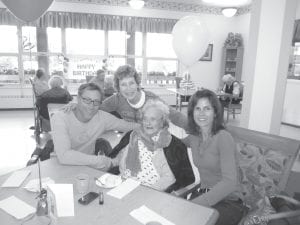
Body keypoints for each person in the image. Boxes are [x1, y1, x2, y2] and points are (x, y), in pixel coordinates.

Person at [182, 89, 246, 225]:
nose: (201, 113)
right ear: (192, 112)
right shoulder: (194, 136)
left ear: (216, 112)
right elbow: (177, 143)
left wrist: (197, 203)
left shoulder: (224, 138)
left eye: (207, 108)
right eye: (197, 108)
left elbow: (229, 183)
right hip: (203, 194)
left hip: (229, 201)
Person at [63, 64, 188, 130]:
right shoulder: (117, 99)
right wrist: (79, 106)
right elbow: (97, 108)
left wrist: (194, 129)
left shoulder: (151, 99)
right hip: (133, 136)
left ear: (137, 83)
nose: (128, 89)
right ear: (118, 87)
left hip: (155, 136)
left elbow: (174, 115)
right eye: (123, 85)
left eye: (131, 83)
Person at [51, 83, 139, 170]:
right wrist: (103, 161)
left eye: (96, 102)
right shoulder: (60, 118)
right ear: (78, 98)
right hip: (60, 167)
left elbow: (128, 126)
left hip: (87, 168)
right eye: (86, 100)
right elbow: (64, 156)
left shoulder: (102, 117)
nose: (91, 106)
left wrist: (150, 124)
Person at [115, 99, 194, 191]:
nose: (148, 123)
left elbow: (169, 178)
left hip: (152, 191)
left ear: (162, 122)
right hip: (126, 184)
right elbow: (119, 161)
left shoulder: (170, 144)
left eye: (153, 119)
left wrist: (148, 191)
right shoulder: (134, 136)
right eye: (145, 118)